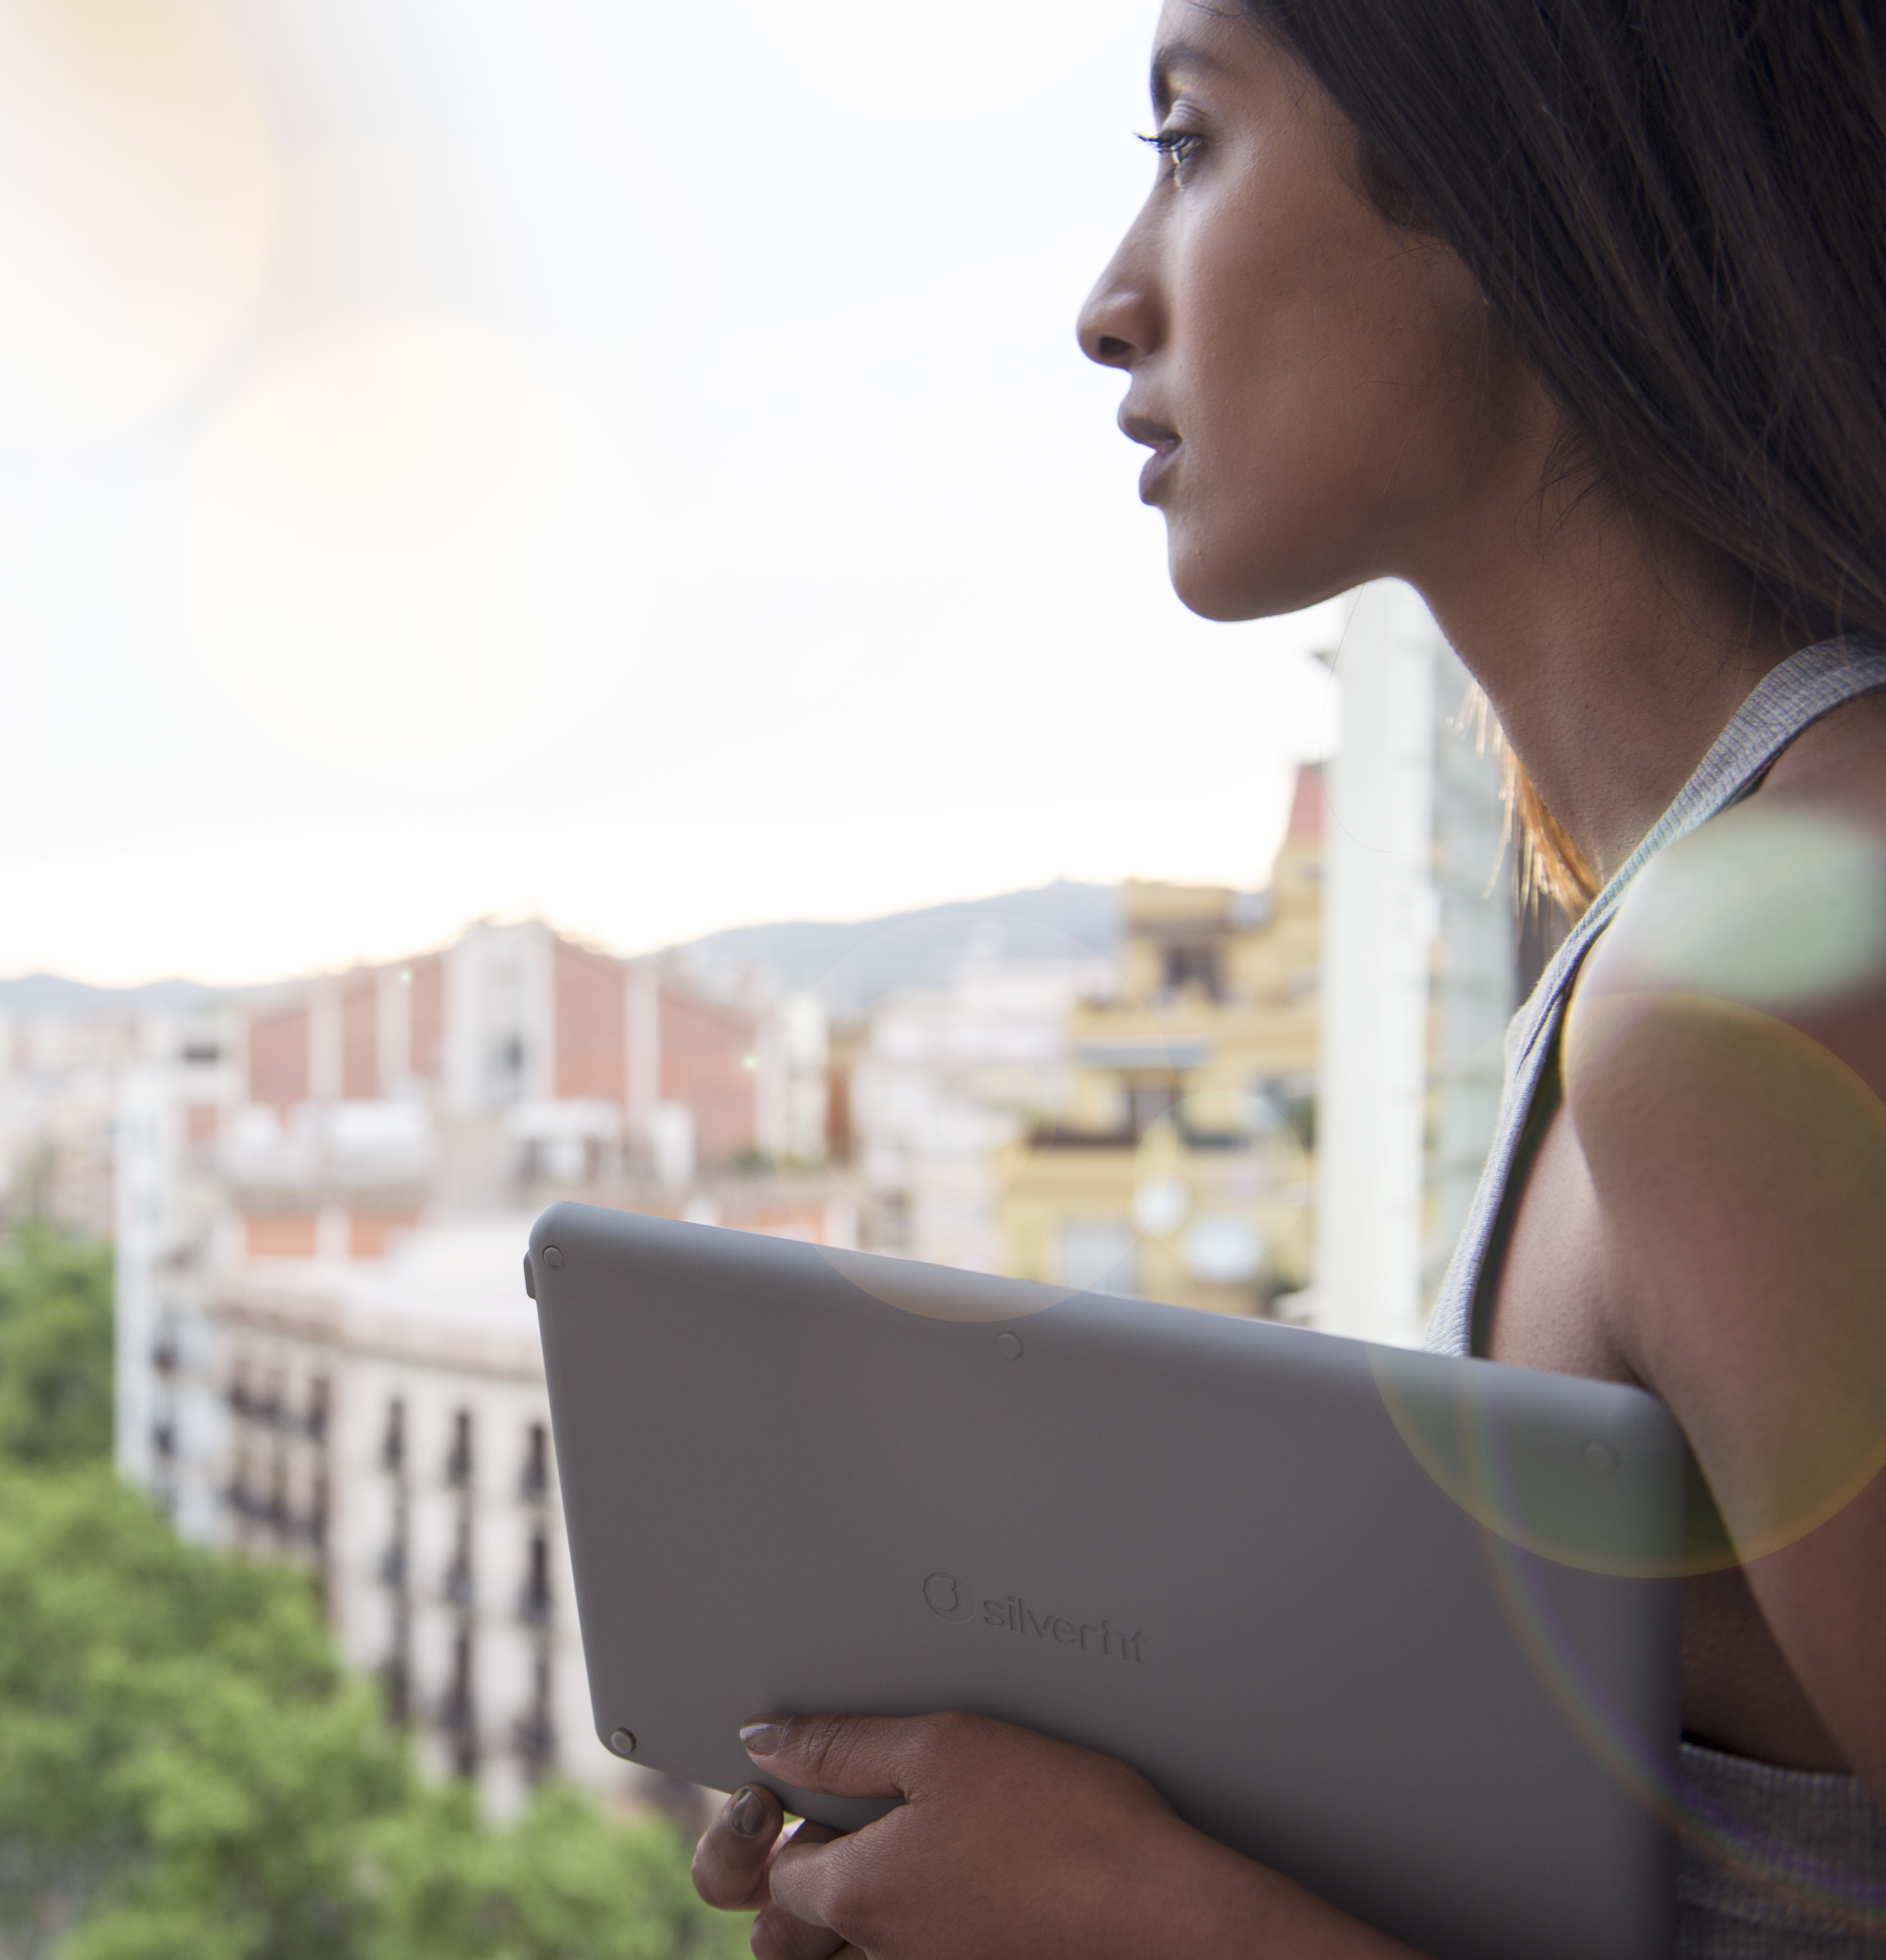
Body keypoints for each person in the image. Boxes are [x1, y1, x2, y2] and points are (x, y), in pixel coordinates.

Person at [690, 0, 1886, 1953]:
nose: (1107, 301)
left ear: (1500, 163)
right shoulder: (1686, 947)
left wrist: (1140, 1910)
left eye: (1187, 139)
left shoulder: (1770, 985)